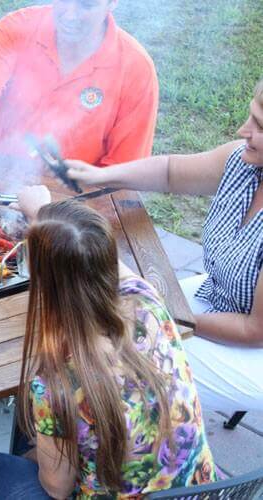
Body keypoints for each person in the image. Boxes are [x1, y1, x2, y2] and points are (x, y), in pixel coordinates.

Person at [0, 195, 216, 499]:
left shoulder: (55, 386)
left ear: (44, 281)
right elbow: (96, 255)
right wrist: (45, 215)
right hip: (199, 491)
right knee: (45, 436)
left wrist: (39, 457)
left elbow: (57, 488)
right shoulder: (146, 301)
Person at [65, 78, 263, 413]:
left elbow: (254, 330)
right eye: (251, 115)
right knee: (108, 315)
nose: (243, 129)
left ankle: (141, 438)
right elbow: (170, 172)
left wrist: (166, 316)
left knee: (128, 364)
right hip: (221, 297)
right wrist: (100, 176)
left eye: (259, 125)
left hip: (253, 346)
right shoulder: (242, 162)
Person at [0, 0, 159, 182]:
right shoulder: (19, 27)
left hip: (79, 196)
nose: (69, 15)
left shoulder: (136, 69)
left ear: (112, 3)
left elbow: (124, 174)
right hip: (0, 173)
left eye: (87, 5)